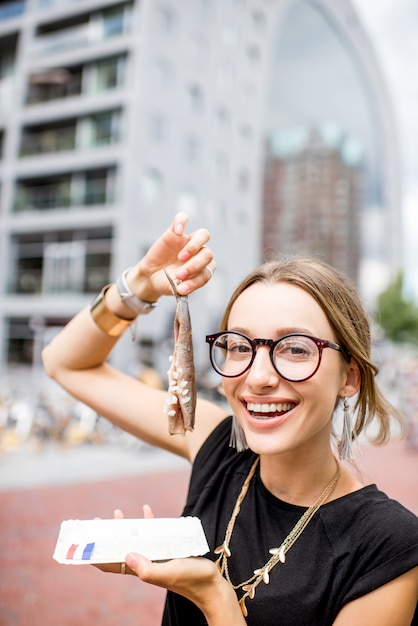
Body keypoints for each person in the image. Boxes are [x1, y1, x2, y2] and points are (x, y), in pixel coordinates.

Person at [42, 212, 418, 626]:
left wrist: (212, 595)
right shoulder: (216, 444)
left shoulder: (389, 545)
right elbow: (66, 364)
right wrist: (138, 288)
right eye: (239, 346)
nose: (256, 378)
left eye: (295, 349)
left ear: (349, 378)